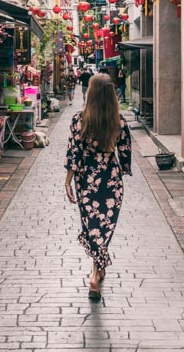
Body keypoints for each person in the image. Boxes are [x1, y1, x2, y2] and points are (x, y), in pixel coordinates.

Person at [64, 74, 132, 300]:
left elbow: (74, 153)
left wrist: (68, 180)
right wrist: (118, 169)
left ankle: (96, 273)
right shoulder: (119, 121)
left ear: (90, 93)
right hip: (110, 178)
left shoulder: (79, 119)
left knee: (92, 226)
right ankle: (97, 270)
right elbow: (124, 155)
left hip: (86, 179)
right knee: (104, 227)